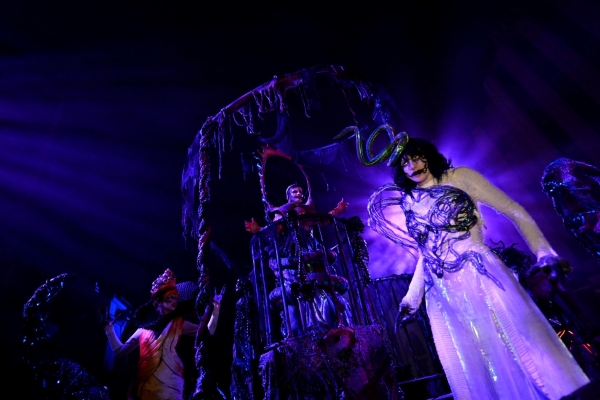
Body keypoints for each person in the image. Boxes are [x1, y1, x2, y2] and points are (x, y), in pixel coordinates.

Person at [368, 138, 590, 399]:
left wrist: (544, 253)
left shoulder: (460, 177)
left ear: (428, 155)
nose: (412, 166)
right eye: (404, 162)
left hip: (482, 276)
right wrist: (411, 299)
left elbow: (513, 209)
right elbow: (426, 253)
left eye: (416, 157)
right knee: (478, 366)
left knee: (525, 346)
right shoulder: (409, 201)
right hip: (444, 295)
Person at [104, 269, 223, 400]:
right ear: (159, 301)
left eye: (175, 298)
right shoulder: (143, 330)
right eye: (170, 298)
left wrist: (216, 310)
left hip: (169, 387)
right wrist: (110, 331)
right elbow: (120, 351)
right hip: (143, 386)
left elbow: (207, 332)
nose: (174, 301)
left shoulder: (177, 323)